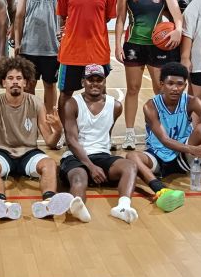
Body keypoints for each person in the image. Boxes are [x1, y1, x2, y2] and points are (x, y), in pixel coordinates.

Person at [130, 62, 201, 204]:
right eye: (170, 83)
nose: (175, 88)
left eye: (179, 84)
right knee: (132, 156)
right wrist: (194, 149)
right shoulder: (150, 106)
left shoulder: (191, 101)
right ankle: (161, 190)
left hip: (183, 155)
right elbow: (165, 140)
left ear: (185, 85)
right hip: (158, 156)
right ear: (161, 84)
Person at [0, 57, 68, 220]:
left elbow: (50, 142)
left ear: (26, 82)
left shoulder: (36, 103)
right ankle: (1, 203)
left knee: (50, 163)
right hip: (1, 151)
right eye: (10, 78)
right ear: (3, 82)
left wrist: (58, 130)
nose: (15, 82)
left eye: (19, 78)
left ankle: (48, 202)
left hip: (29, 152)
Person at [60, 64, 152, 224]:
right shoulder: (72, 104)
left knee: (130, 166)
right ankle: (77, 207)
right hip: (76, 156)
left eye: (99, 80)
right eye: (90, 80)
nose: (95, 83)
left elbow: (106, 133)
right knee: (79, 177)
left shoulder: (115, 106)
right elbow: (72, 141)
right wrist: (91, 166)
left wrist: (102, 163)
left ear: (104, 82)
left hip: (102, 155)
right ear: (83, 82)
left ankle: (123, 207)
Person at [115, 0, 183, 150]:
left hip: (158, 46)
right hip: (134, 45)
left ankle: (157, 131)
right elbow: (120, 20)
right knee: (133, 89)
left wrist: (178, 30)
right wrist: (118, 45)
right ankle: (129, 134)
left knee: (159, 89)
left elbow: (177, 15)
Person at [56, 0, 117, 127]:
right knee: (65, 94)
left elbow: (106, 17)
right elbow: (63, 16)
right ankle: (65, 132)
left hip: (98, 52)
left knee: (100, 93)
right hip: (71, 53)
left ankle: (99, 132)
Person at [15, 0, 63, 114]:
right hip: (29, 47)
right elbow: (19, 17)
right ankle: (31, 117)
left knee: (50, 84)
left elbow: (70, 15)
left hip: (53, 48)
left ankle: (49, 117)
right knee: (29, 84)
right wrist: (17, 44)